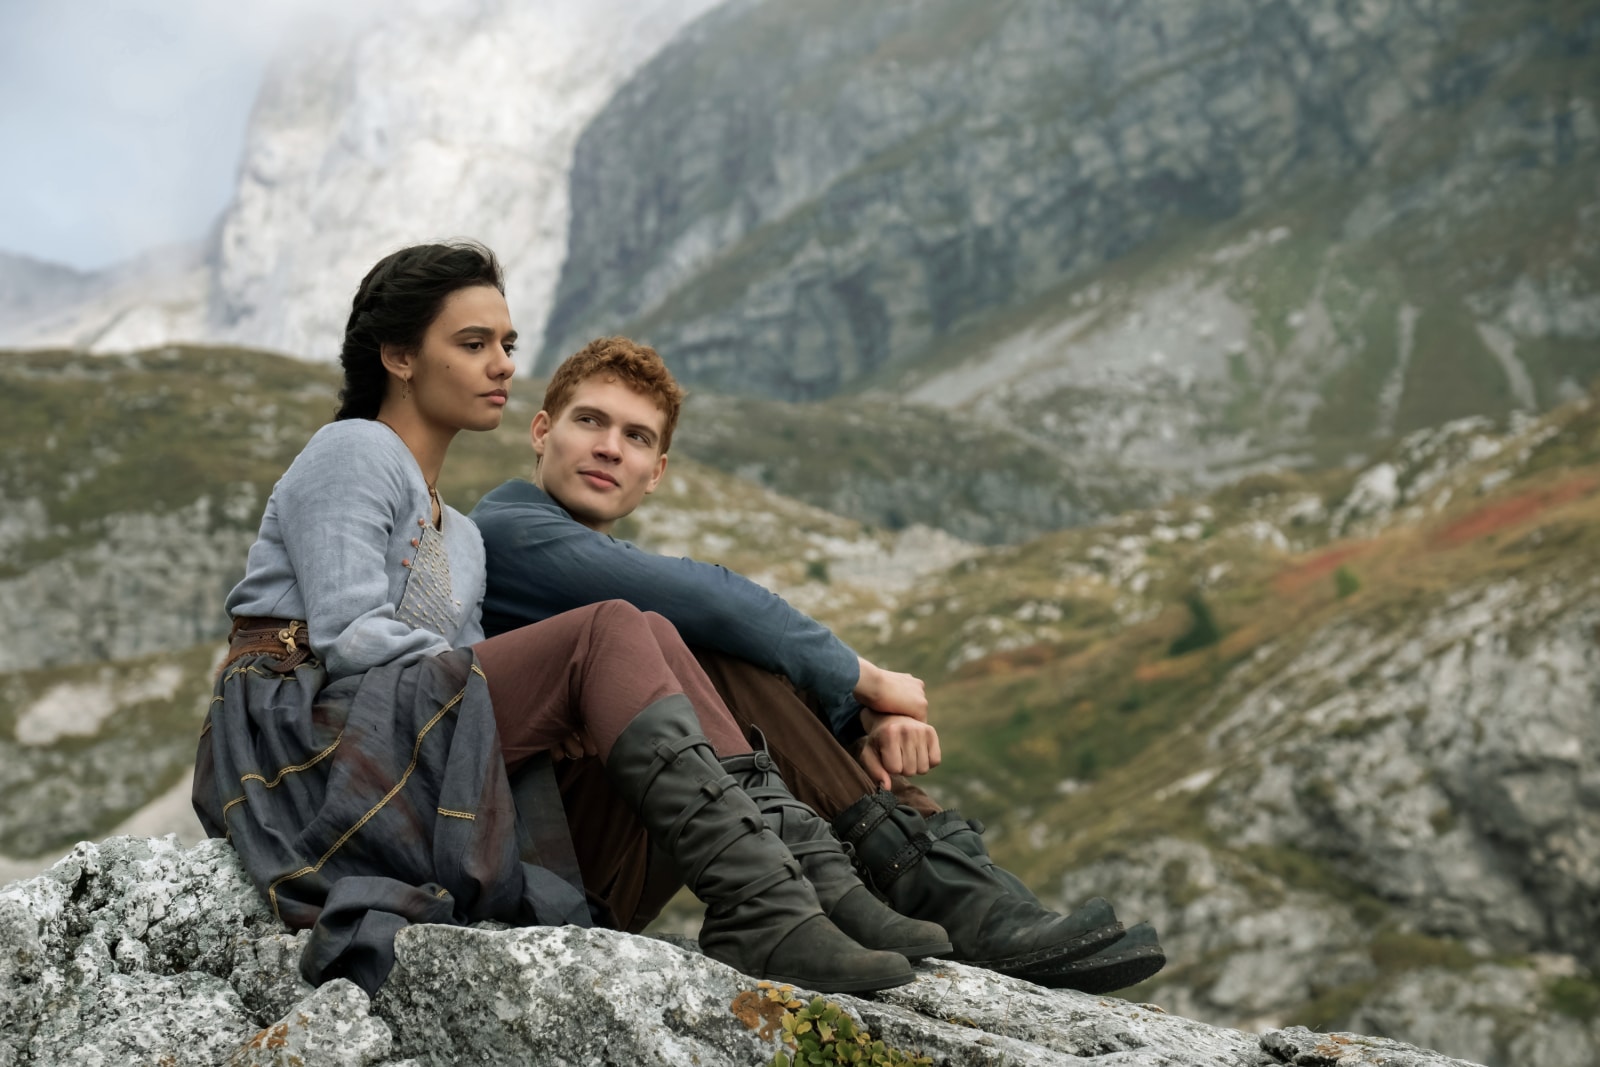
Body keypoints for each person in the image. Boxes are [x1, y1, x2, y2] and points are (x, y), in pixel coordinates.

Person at [190, 243, 948, 997]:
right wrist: (554, 684)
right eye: (474, 344)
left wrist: (556, 705)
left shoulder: (463, 535)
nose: (502, 366)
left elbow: (466, 676)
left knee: (650, 637)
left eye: (508, 345)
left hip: (405, 736)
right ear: (399, 356)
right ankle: (767, 902)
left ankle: (804, 887)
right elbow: (351, 635)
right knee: (607, 628)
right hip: (304, 736)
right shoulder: (354, 448)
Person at [469, 336, 1166, 993]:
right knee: (696, 637)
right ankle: (929, 881)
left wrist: (858, 725)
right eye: (590, 421)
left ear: (657, 473)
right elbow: (711, 599)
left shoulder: (587, 559)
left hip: (610, 854)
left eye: (637, 437)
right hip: (545, 862)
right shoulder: (505, 530)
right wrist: (870, 683)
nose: (609, 447)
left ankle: (931, 880)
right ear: (542, 431)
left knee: (693, 642)